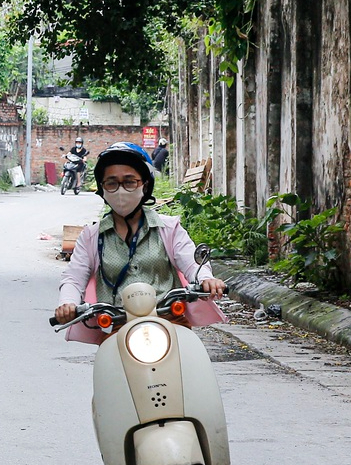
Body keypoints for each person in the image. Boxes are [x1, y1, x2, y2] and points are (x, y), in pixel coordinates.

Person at [55, 142, 224, 338]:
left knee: (194, 365)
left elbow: (191, 263)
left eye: (129, 181)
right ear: (102, 189)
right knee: (108, 368)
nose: (120, 190)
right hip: (117, 326)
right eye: (111, 183)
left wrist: (206, 279)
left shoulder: (169, 228)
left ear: (145, 184)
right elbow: (74, 278)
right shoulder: (92, 236)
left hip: (170, 321)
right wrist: (67, 303)